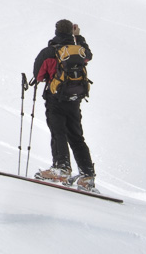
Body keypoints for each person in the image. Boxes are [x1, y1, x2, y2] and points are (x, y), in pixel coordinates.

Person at [31, 18, 96, 191]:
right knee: (76, 136)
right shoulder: (79, 51)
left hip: (56, 99)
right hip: (75, 100)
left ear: (57, 32)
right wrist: (79, 37)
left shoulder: (50, 52)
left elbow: (38, 75)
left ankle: (61, 168)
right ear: (71, 32)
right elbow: (88, 55)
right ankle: (87, 175)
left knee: (58, 132)